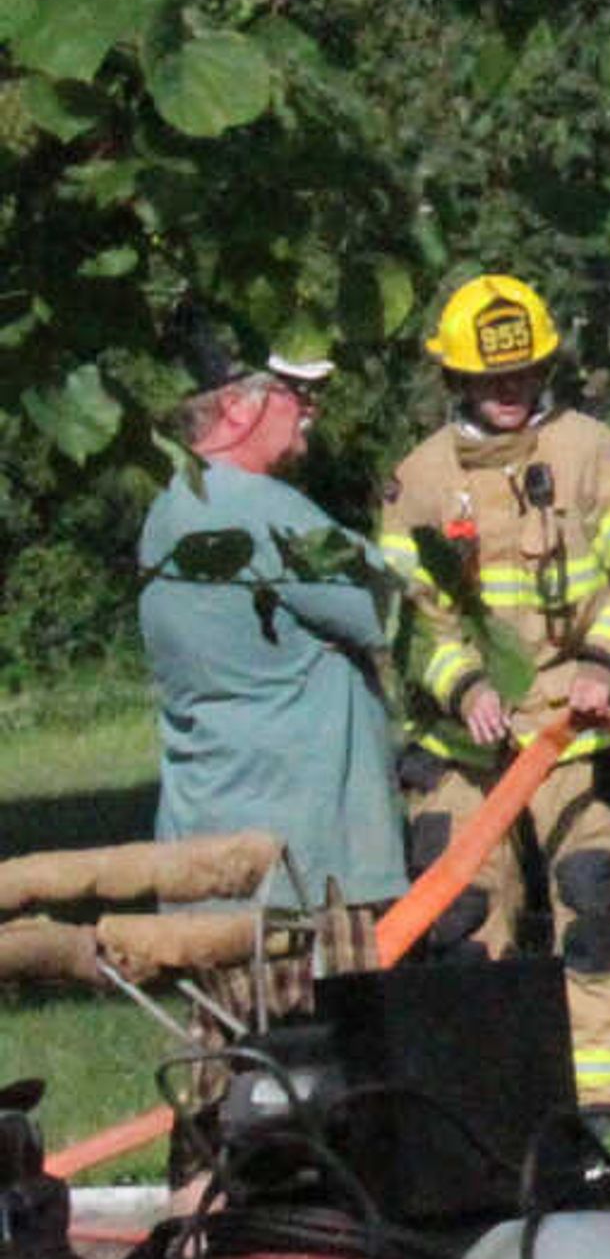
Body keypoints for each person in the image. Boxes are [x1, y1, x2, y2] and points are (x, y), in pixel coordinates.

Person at [374, 273, 610, 1128]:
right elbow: (409, 619)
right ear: (457, 380)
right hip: (463, 747)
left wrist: (603, 662)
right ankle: (477, 1094)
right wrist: (466, 684)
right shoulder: (421, 481)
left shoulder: (594, 452)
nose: (510, 394)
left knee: (592, 893)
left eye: (523, 376)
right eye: (490, 380)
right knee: (462, 916)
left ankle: (605, 1091)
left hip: (574, 730)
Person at [138, 344, 408, 916]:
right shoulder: (264, 508)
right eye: (295, 393)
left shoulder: (168, 510)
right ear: (237, 406)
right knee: (322, 1008)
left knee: (229, 1009)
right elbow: (383, 608)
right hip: (300, 864)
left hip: (204, 845)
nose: (311, 410)